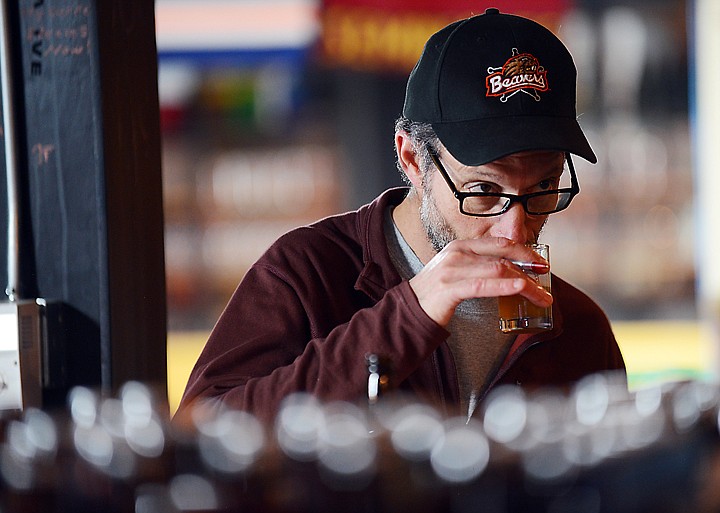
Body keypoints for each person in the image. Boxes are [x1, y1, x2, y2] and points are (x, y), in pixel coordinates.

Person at [177, 8, 626, 424]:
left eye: (543, 188)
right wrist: (409, 315)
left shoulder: (580, 327)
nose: (515, 229)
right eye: (484, 190)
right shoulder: (307, 272)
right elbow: (200, 434)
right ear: (412, 158)